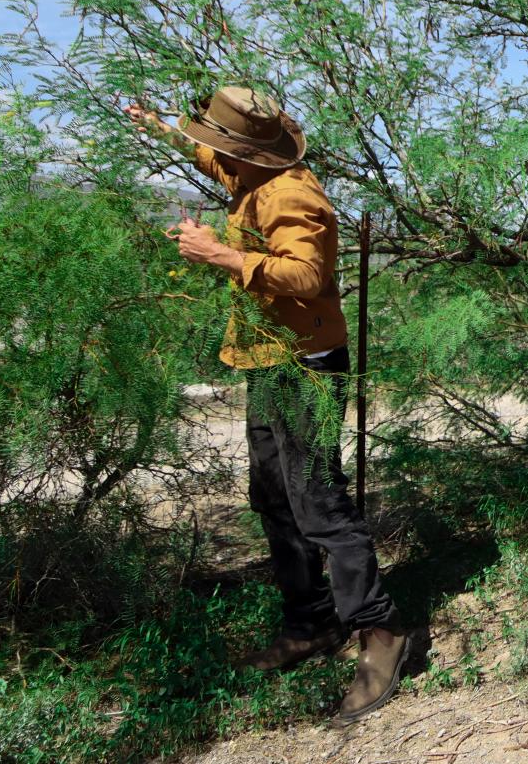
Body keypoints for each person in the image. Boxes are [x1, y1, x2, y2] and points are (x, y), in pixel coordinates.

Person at [127, 87, 411, 725]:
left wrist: (221, 254)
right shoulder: (253, 170)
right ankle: (310, 620)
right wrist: (161, 129)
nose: (214, 151)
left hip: (304, 366)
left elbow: (309, 277)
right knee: (274, 497)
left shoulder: (290, 194)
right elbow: (212, 160)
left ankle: (380, 629)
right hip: (268, 358)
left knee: (319, 505)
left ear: (251, 148)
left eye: (221, 141)